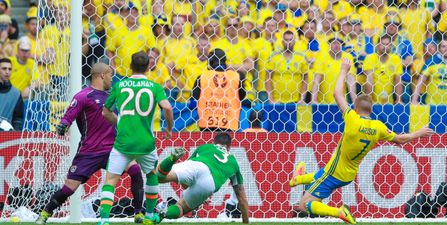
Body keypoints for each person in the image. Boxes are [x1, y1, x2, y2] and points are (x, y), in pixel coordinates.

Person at [289, 58, 434, 224]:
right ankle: (297, 179)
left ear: (356, 109)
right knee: (319, 174)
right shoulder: (378, 126)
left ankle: (339, 212)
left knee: (304, 204)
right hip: (348, 174)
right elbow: (401, 139)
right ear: (371, 110)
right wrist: (419, 133)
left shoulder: (352, 119)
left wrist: (344, 70)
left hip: (334, 172)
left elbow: (337, 94)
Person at [35, 63, 145, 224]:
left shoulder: (112, 96)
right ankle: (45, 212)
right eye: (110, 75)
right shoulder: (83, 96)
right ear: (102, 75)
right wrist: (63, 125)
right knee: (69, 188)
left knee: (135, 170)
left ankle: (138, 214)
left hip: (113, 149)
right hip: (90, 151)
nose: (112, 79)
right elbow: (69, 115)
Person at [99, 51, 173, 225]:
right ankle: (148, 216)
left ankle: (103, 221)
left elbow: (105, 111)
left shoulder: (120, 85)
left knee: (110, 180)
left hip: (123, 142)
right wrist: (169, 129)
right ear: (148, 67)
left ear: (130, 66)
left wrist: (118, 123)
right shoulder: (154, 86)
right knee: (152, 175)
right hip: (146, 143)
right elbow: (168, 108)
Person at [155, 133, 249, 223]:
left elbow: (185, 183)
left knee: (158, 177)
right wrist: (246, 222)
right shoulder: (233, 162)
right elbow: (241, 196)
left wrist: (185, 184)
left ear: (214, 143)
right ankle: (160, 215)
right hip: (210, 183)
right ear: (229, 147)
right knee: (180, 207)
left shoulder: (205, 147)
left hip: (197, 165)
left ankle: (171, 159)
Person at [192, 48, 246, 132]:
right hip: (229, 123)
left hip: (206, 123)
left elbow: (192, 103)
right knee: (225, 145)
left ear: (210, 61)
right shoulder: (237, 77)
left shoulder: (202, 77)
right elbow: (242, 96)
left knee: (209, 145)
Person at [412, 39, 447, 105]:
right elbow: (420, 81)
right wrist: (414, 100)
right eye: (443, 46)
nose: (446, 48)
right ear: (439, 49)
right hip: (432, 104)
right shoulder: (432, 62)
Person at [0, 57, 22, 131]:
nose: (7, 72)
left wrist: (16, 133)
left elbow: (18, 119)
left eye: (9, 69)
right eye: (4, 68)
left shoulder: (16, 93)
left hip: (6, 136)